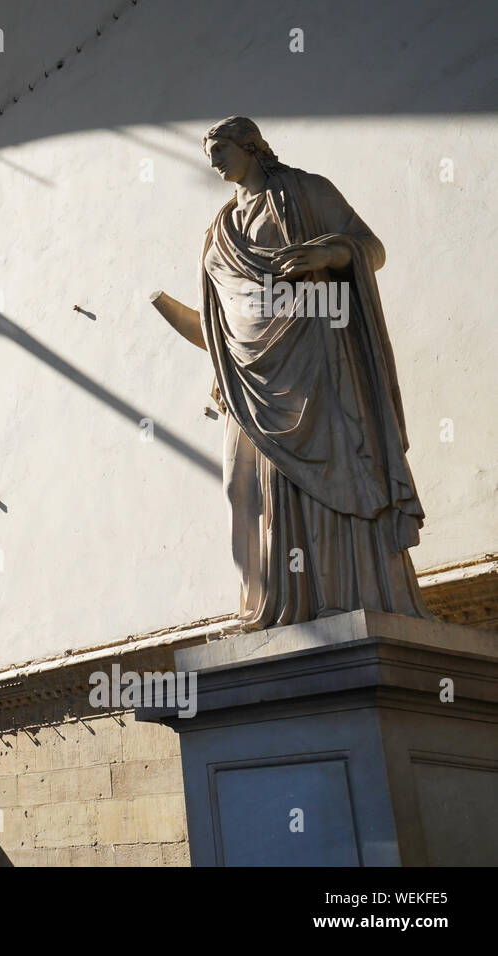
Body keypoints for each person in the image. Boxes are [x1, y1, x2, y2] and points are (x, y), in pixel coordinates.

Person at [151, 116, 431, 630]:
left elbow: (371, 249)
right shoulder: (219, 231)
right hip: (251, 383)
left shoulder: (308, 192)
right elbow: (218, 324)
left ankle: (348, 593)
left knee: (333, 472)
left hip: (318, 368)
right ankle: (280, 603)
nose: (213, 163)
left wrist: (329, 252)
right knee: (248, 490)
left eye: (221, 150)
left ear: (250, 147)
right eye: (209, 154)